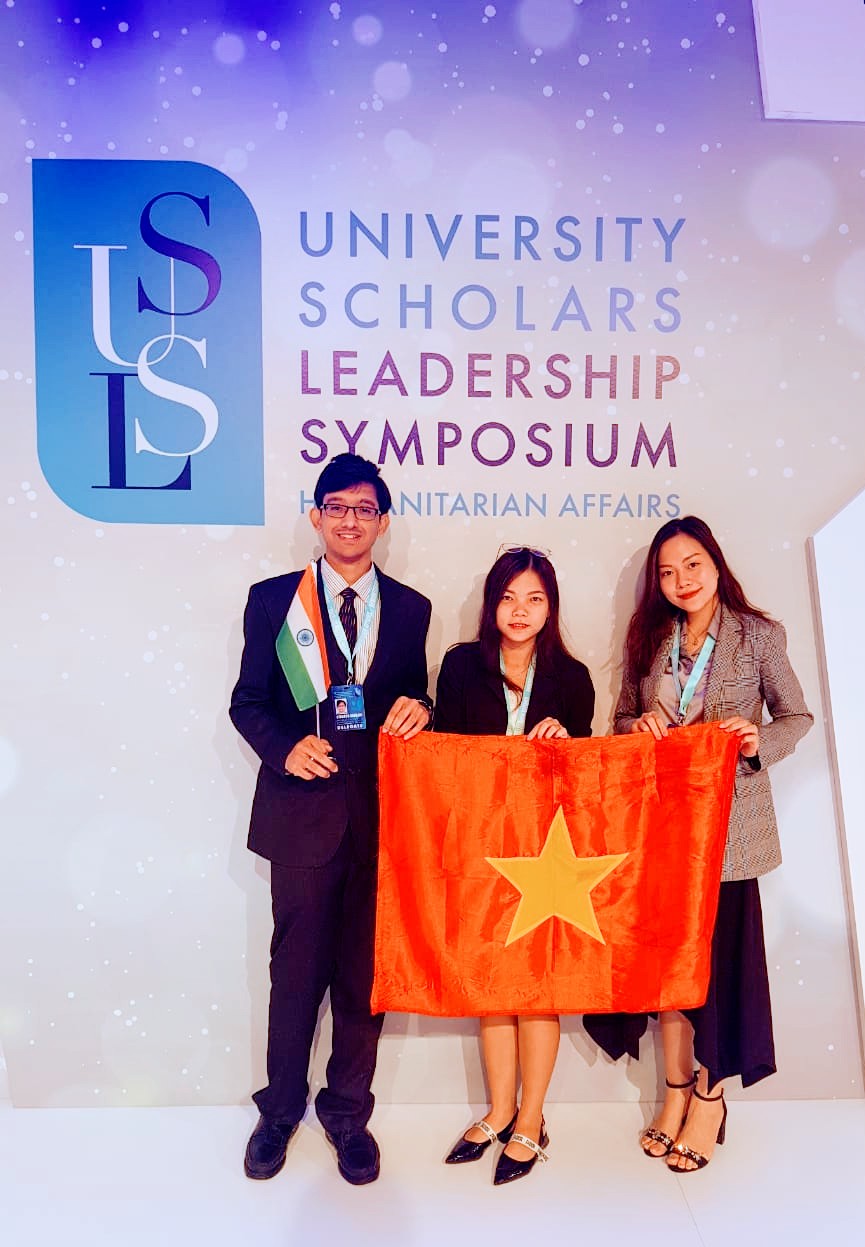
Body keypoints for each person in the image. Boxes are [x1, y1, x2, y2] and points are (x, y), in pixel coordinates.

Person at [585, 515, 812, 1172]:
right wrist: (641, 722)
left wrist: (753, 742)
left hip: (730, 831)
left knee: (720, 968)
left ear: (714, 563)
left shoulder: (757, 636)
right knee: (668, 968)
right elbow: (623, 717)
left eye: (691, 564)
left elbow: (796, 715)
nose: (679, 579)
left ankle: (709, 1096)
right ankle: (674, 1088)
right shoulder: (652, 638)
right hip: (662, 829)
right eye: (666, 570)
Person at [229, 453, 432, 1185]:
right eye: (336, 506)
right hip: (302, 819)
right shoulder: (274, 600)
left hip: (380, 824)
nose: (351, 519)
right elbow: (246, 702)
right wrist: (285, 749)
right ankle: (280, 1109)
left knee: (361, 979)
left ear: (382, 520)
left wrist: (425, 706)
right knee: (295, 975)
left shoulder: (410, 609)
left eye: (365, 507)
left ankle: (347, 1112)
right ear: (315, 515)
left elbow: (411, 694)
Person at [434, 545, 595, 1185]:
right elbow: (442, 758)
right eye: (508, 598)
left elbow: (587, 778)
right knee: (491, 987)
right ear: (491, 604)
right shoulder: (459, 667)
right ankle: (500, 1111)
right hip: (479, 848)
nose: (520, 611)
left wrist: (566, 747)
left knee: (537, 988)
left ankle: (532, 1119)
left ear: (550, 607)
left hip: (546, 856)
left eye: (534, 599)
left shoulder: (572, 677)